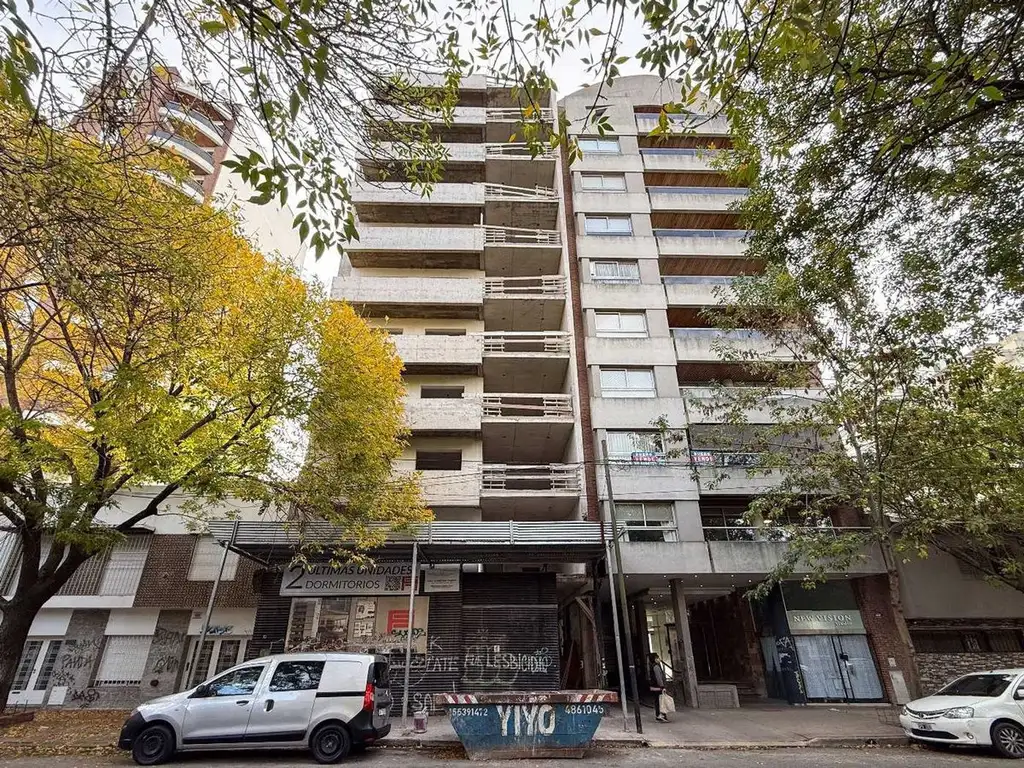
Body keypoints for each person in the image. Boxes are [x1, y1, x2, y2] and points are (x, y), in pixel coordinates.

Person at [648, 652, 668, 722]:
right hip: (658, 687)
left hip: (654, 687)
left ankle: (658, 715)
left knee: (657, 701)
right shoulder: (656, 667)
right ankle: (661, 715)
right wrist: (662, 687)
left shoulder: (652, 666)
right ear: (655, 659)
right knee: (661, 701)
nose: (659, 659)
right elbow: (659, 678)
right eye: (657, 658)